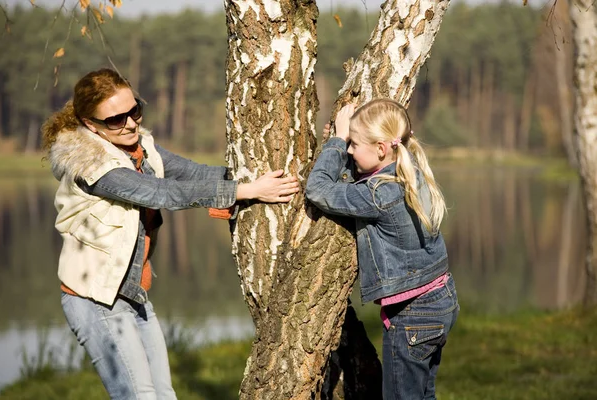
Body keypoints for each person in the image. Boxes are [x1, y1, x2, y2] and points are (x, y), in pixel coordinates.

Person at [41, 67, 299, 400]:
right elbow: (160, 193)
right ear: (92, 125)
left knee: (164, 395)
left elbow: (194, 173)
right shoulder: (93, 166)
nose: (131, 123)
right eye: (116, 119)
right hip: (97, 300)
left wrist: (257, 177)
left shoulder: (140, 148)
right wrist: (244, 191)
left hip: (132, 294)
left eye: (134, 110)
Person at [305, 99, 459, 399]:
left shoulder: (376, 196)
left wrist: (336, 141)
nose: (349, 151)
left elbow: (318, 189)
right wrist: (344, 140)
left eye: (354, 144)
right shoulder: (409, 169)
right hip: (442, 300)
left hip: (412, 316)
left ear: (380, 148)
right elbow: (365, 175)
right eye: (348, 144)